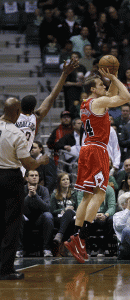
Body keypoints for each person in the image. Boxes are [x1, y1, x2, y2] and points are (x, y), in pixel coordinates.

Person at [64, 68, 130, 263]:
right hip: (97, 150)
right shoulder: (100, 101)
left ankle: (76, 238)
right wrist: (114, 78)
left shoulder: (86, 104)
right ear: (94, 89)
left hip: (86, 150)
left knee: (87, 196)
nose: (104, 86)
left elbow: (110, 93)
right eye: (101, 84)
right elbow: (126, 96)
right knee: (100, 193)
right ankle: (82, 236)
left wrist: (111, 79)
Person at [0, 97, 49, 280]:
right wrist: (40, 161)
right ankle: (5, 270)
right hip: (11, 177)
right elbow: (27, 163)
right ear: (15, 111)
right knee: (12, 224)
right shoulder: (16, 133)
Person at [15, 58, 79, 174]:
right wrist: (64, 74)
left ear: (19, 107)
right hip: (23, 159)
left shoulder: (11, 118)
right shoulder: (36, 117)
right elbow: (52, 96)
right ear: (34, 108)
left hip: (9, 159)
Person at [16, 170, 54, 258]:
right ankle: (19, 250)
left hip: (39, 219)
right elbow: (20, 208)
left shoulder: (44, 190)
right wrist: (29, 196)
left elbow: (47, 208)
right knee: (18, 216)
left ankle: (46, 249)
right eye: (32, 175)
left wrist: (36, 196)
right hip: (25, 219)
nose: (34, 177)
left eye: (36, 175)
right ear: (26, 178)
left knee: (48, 215)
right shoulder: (22, 189)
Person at [50, 172, 78, 252]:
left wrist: (69, 211)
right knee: (68, 216)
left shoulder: (74, 193)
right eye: (63, 180)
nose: (66, 181)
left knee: (70, 213)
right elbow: (52, 211)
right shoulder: (54, 194)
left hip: (72, 216)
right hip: (59, 218)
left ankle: (60, 234)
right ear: (59, 182)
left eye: (67, 179)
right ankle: (69, 248)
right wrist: (63, 210)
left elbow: (78, 209)